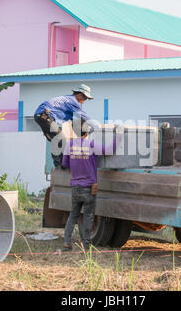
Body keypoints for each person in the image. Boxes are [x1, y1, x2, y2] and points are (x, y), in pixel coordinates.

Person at [61, 119, 121, 252]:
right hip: (89, 187)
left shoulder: (69, 145)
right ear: (87, 131)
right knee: (88, 216)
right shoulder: (92, 145)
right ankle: (86, 246)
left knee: (73, 215)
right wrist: (119, 134)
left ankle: (66, 241)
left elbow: (65, 164)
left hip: (75, 187)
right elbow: (110, 150)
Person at [34, 84, 93, 167]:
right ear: (79, 94)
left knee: (57, 140)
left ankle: (62, 164)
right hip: (44, 116)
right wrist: (95, 127)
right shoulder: (74, 102)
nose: (85, 100)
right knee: (60, 139)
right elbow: (85, 117)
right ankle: (60, 165)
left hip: (41, 116)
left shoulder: (68, 100)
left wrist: (83, 133)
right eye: (85, 97)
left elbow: (76, 121)